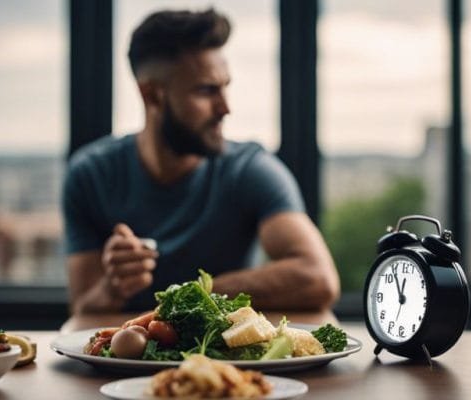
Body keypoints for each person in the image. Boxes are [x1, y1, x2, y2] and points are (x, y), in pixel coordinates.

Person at [62, 8, 340, 315]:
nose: (225, 107)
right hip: (129, 359)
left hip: (223, 359)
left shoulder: (250, 170)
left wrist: (191, 295)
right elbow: (83, 308)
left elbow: (318, 278)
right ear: (153, 96)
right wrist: (112, 288)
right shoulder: (91, 174)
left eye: (225, 87)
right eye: (207, 90)